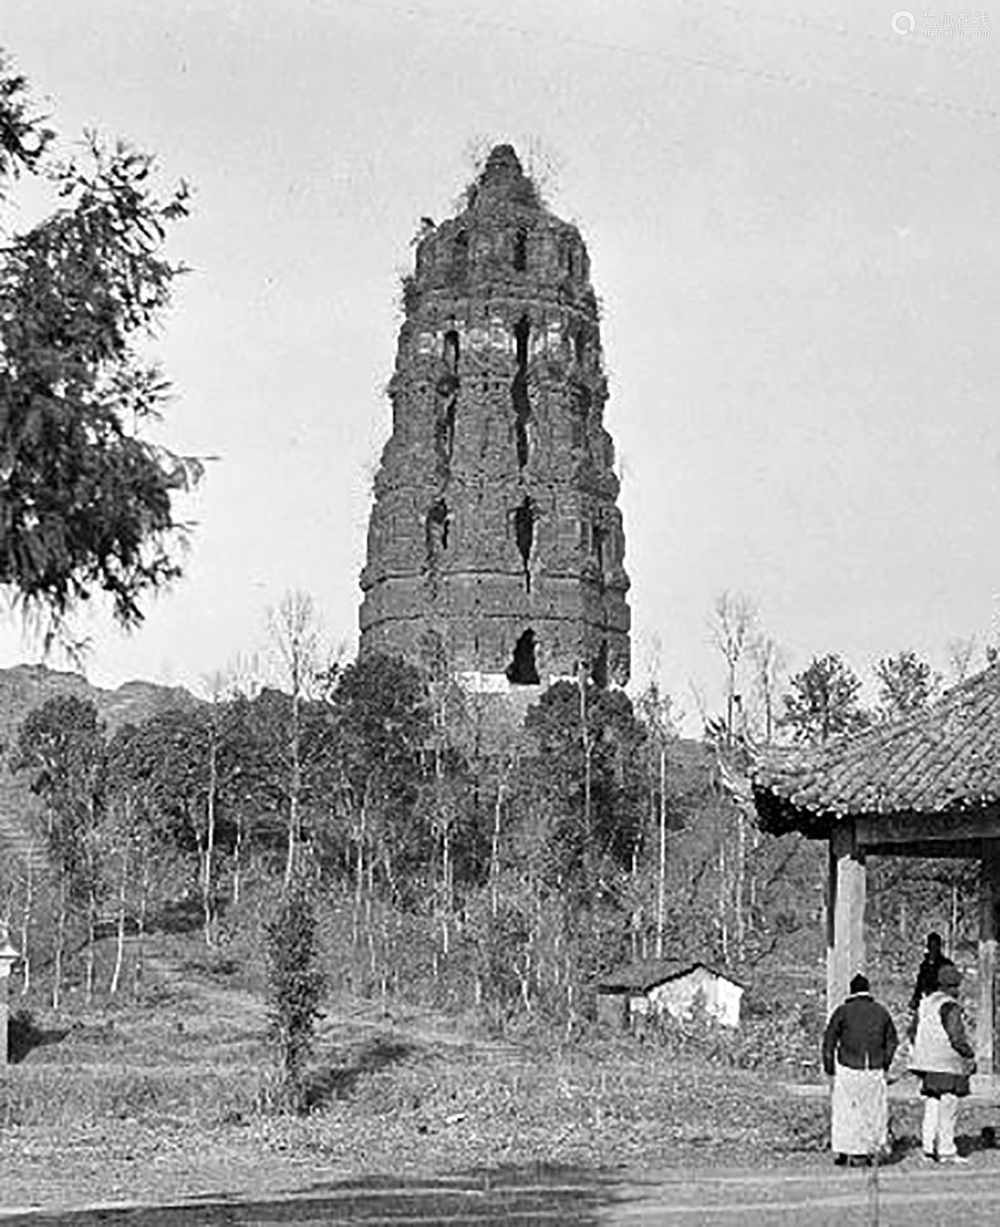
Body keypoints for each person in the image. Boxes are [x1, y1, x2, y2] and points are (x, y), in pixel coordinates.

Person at [822, 973, 899, 1166]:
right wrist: (884, 1063)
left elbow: (829, 1042)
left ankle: (846, 1151)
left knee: (846, 1111)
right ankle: (870, 1150)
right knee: (873, 1111)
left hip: (848, 1067)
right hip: (874, 1068)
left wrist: (830, 1068)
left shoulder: (842, 1011)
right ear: (868, 990)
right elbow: (892, 1041)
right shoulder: (881, 1012)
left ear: (851, 991)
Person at [909, 963, 976, 1163]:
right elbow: (956, 1037)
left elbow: (912, 1032)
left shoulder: (926, 1003)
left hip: (926, 1063)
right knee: (949, 1106)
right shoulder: (950, 1006)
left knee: (932, 1104)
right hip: (946, 1064)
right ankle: (947, 1150)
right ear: (953, 986)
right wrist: (969, 1054)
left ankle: (928, 1149)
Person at [909, 932, 954, 1013]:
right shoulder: (924, 965)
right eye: (931, 946)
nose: (933, 949)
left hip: (941, 999)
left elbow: (951, 986)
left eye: (935, 946)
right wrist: (916, 998)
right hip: (926, 999)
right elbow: (920, 984)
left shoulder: (946, 964)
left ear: (939, 947)